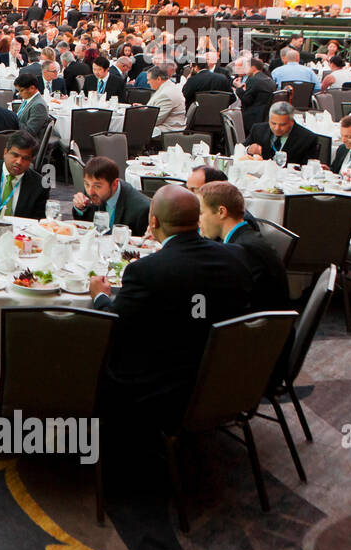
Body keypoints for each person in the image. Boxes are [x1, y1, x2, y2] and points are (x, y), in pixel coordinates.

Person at [87, 185, 253, 426]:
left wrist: (100, 297)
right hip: (222, 381)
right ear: (197, 220)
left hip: (160, 390)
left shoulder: (145, 271)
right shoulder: (237, 255)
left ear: (153, 221)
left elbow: (114, 327)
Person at [197, 181, 289, 311]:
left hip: (257, 321)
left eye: (201, 213)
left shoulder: (243, 250)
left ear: (221, 212)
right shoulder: (244, 238)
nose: (198, 220)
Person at [73, 155, 151, 236]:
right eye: (87, 184)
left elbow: (144, 241)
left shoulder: (140, 209)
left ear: (114, 184)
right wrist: (80, 208)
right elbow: (85, 227)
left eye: (97, 186)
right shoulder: (92, 190)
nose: (90, 192)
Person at [243, 102, 321, 166]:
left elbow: (308, 168)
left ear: (292, 122)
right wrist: (248, 149)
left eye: (282, 124)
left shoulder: (307, 139)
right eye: (273, 123)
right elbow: (241, 150)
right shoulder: (258, 130)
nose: (277, 128)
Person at [236, 57, 276, 131]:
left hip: (253, 117)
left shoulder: (254, 80)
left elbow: (246, 100)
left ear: (253, 68)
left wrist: (238, 88)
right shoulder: (268, 79)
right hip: (265, 115)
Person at [145, 65, 187, 137]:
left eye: (149, 80)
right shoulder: (168, 87)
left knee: (133, 129)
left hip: (167, 131)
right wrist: (144, 108)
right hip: (165, 127)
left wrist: (137, 116)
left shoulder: (166, 94)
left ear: (158, 79)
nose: (147, 82)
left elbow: (155, 120)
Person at [12, 72, 50, 140]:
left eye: (21, 90)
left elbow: (30, 132)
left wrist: (13, 120)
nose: (19, 94)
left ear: (32, 88)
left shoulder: (38, 105)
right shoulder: (28, 100)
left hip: (28, 142)